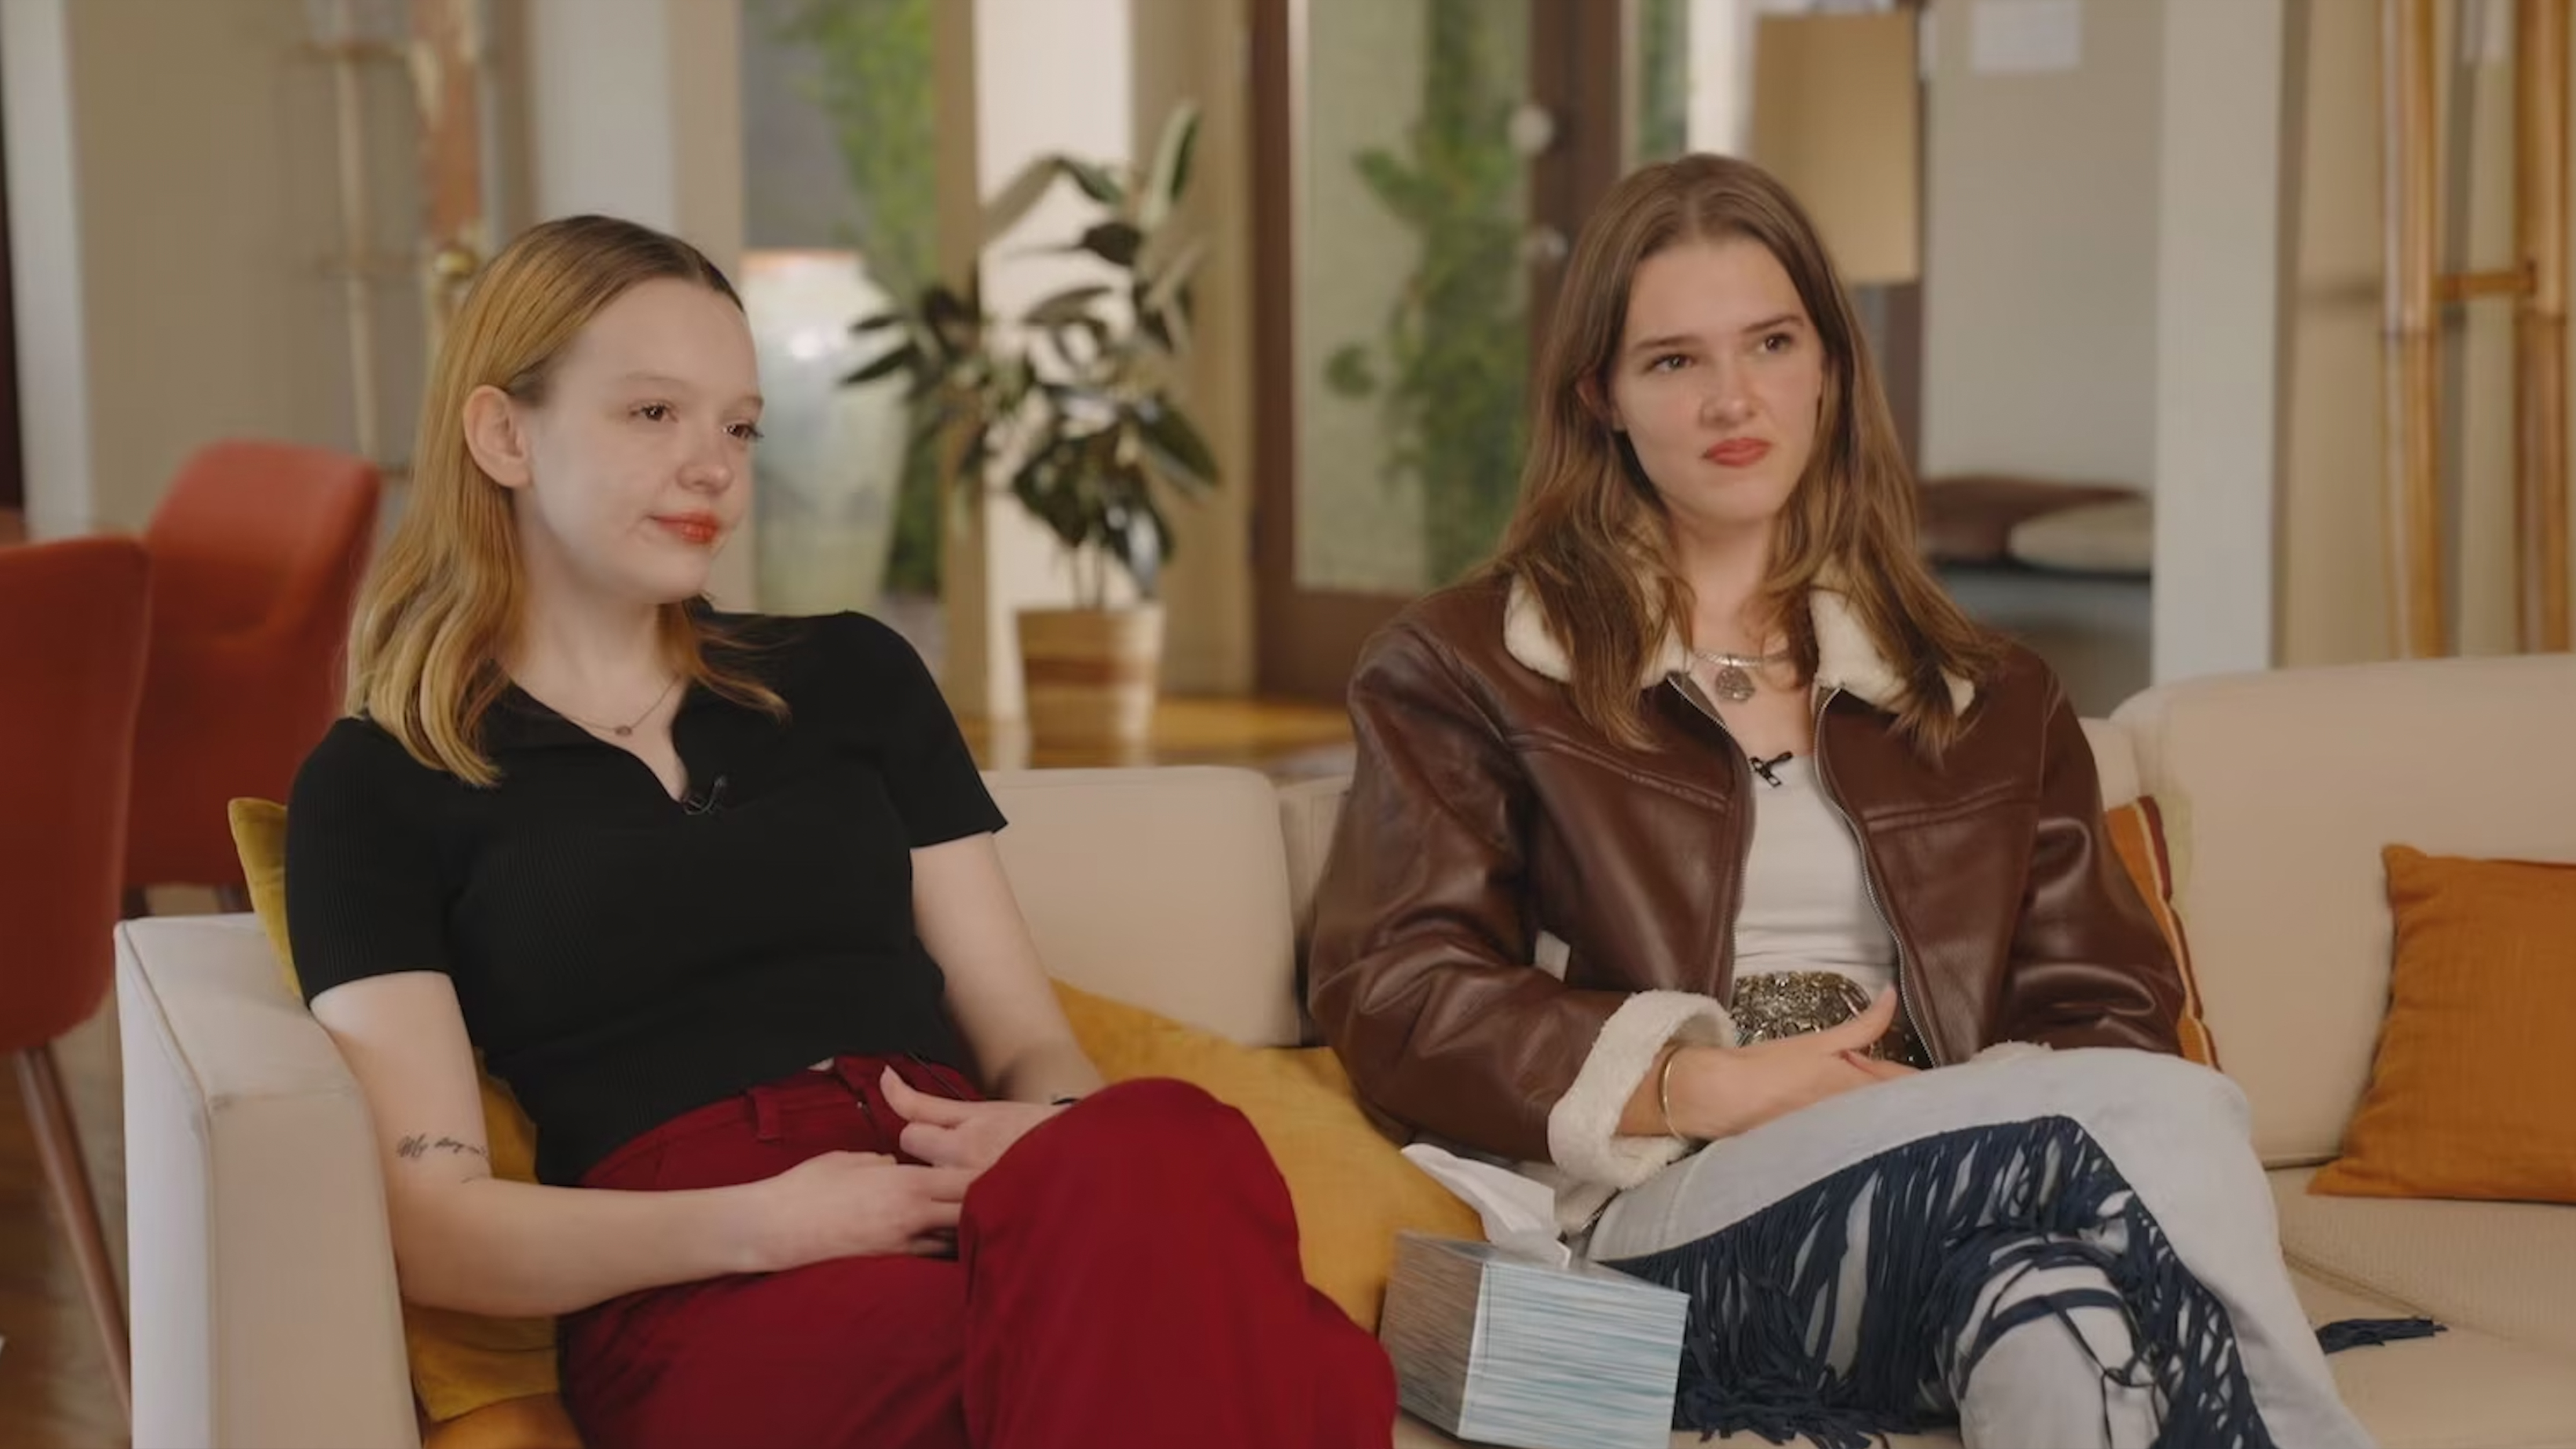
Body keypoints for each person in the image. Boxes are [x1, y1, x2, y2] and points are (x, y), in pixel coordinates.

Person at [1307, 155, 2372, 1448]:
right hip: (1671, 1223)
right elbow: (1397, 986)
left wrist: (1930, 1114)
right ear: (1601, 398)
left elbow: (2104, 1010)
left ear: (1827, 365)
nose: (1734, 398)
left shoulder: (1991, 694)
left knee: (2051, 1315)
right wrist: (1696, 1085)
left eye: (1771, 342)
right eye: (1673, 361)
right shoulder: (1471, 664)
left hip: (1949, 1189)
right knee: (2177, 1109)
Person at [285, 214, 1395, 1449]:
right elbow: (439, 1227)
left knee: (1171, 1137)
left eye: (739, 427)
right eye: (653, 413)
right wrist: (765, 1222)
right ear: (503, 434)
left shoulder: (852, 675)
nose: (714, 467)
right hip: (710, 1281)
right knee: (1284, 1369)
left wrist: (1048, 1139)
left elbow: (1026, 1037)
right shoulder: (378, 782)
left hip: (985, 1207)